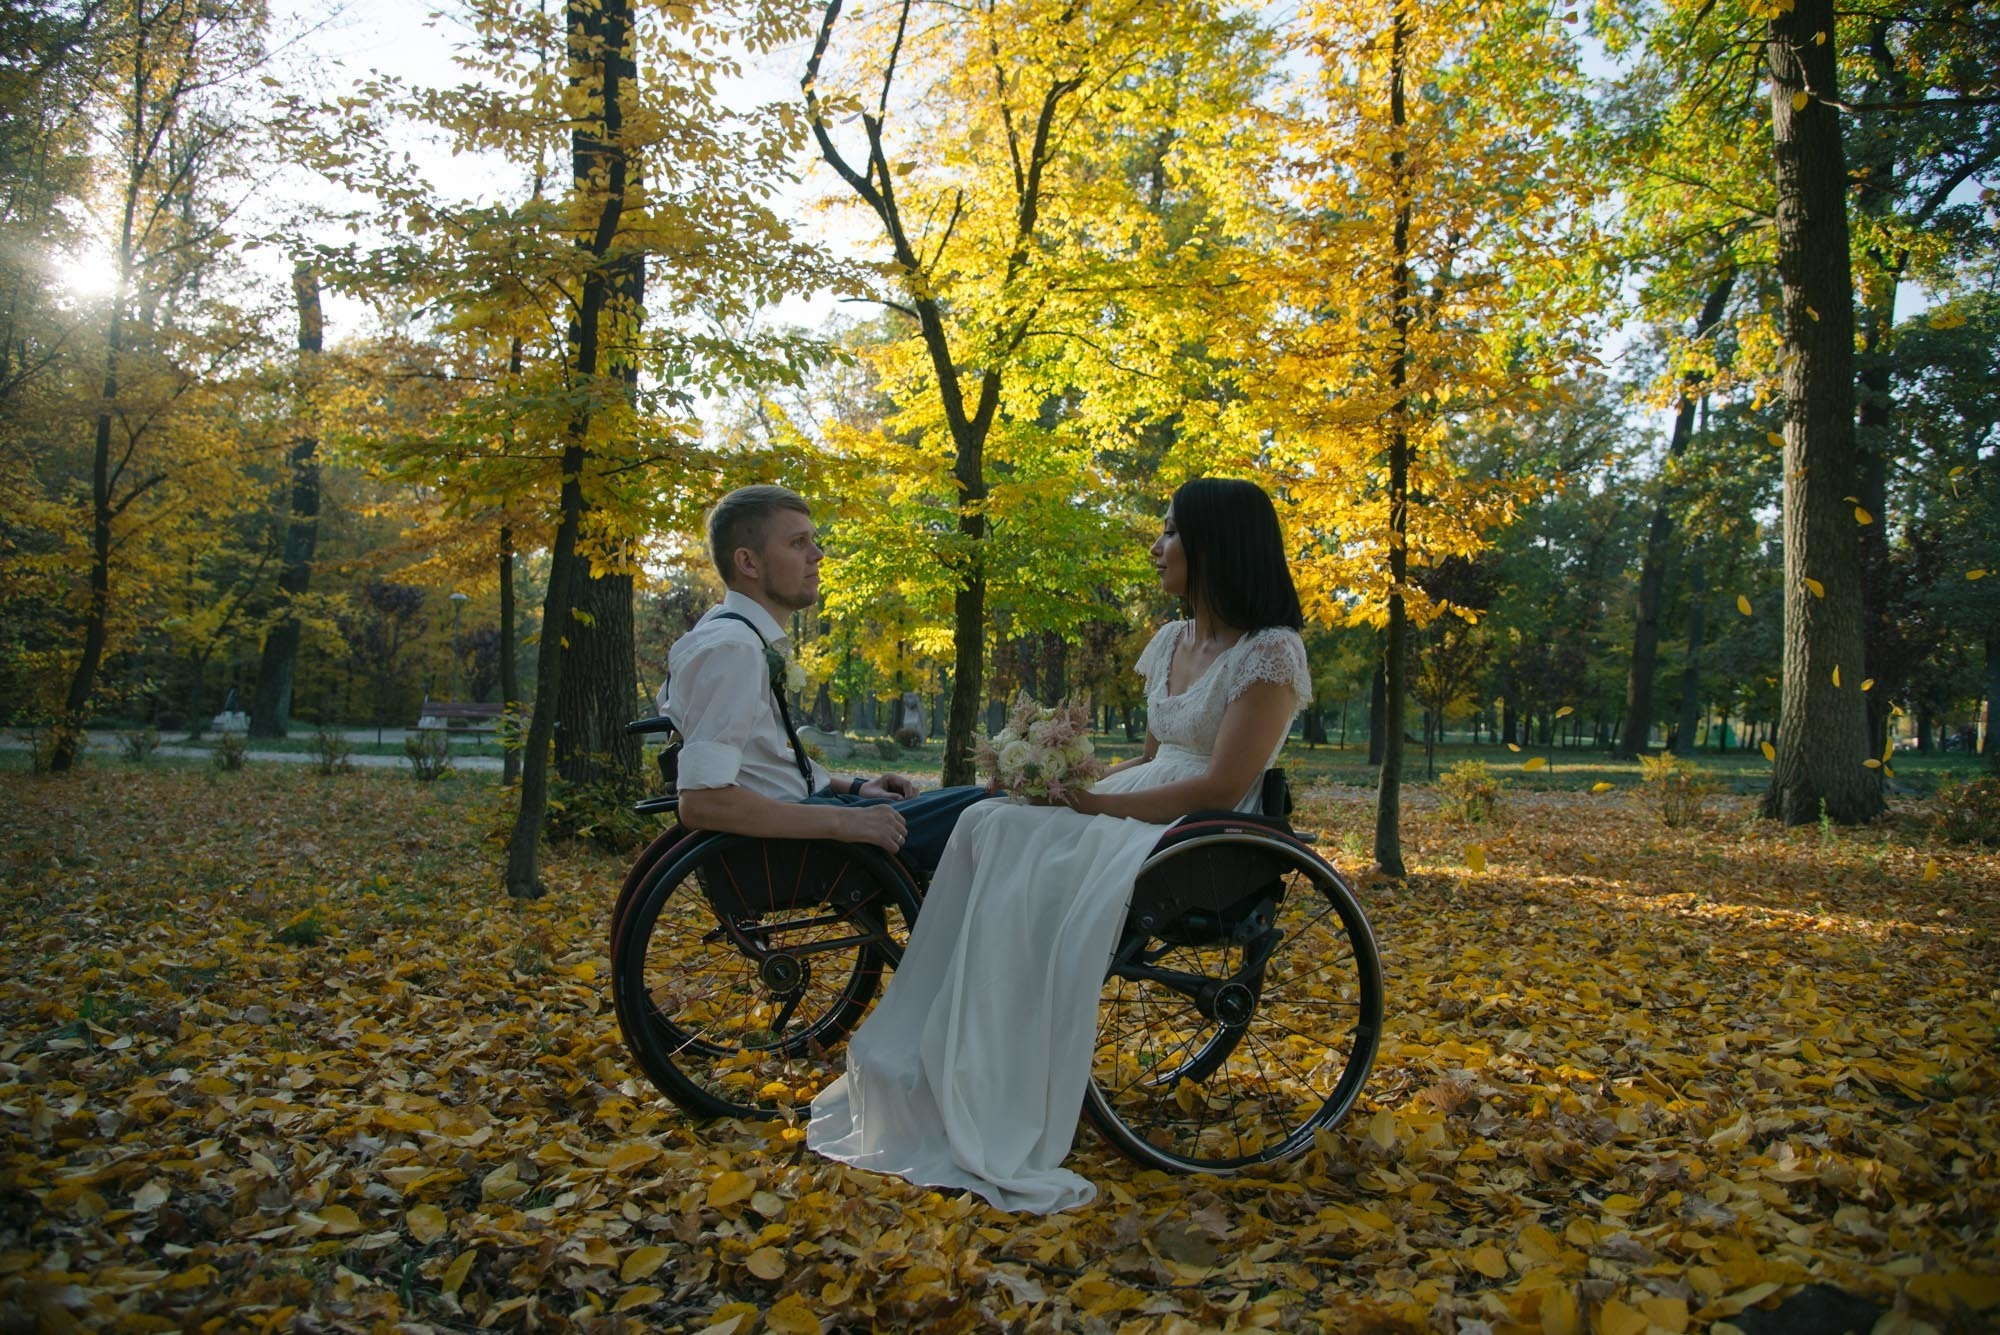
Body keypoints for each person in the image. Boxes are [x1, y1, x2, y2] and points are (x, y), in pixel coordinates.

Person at [809, 477, 1312, 1213]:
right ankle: (956, 1050)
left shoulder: (1270, 653)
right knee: (991, 817)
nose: (1157, 546)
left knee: (1009, 830)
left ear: (1216, 545)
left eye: (1171, 531)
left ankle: (997, 1075)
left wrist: (1100, 805)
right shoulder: (1170, 641)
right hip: (1140, 801)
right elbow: (1152, 757)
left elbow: (1218, 782)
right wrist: (1064, 782)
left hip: (1200, 831)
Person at [662, 484, 988, 878]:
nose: (817, 554)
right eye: (798, 543)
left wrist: (855, 788)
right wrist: (843, 821)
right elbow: (702, 802)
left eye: (813, 541)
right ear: (748, 562)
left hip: (810, 825)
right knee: (996, 808)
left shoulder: (730, 634)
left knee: (989, 804)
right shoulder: (734, 649)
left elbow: (760, 770)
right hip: (800, 851)